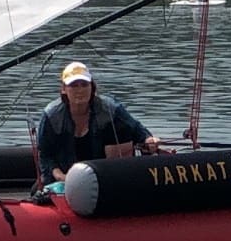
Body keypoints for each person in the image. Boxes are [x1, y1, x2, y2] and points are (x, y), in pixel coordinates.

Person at [35, 60, 167, 186]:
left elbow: (135, 129)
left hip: (100, 177)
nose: (80, 89)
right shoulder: (51, 115)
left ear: (92, 87)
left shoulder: (109, 107)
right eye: (74, 85)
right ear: (64, 89)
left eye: (84, 84)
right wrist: (60, 176)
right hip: (64, 178)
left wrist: (149, 139)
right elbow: (45, 154)